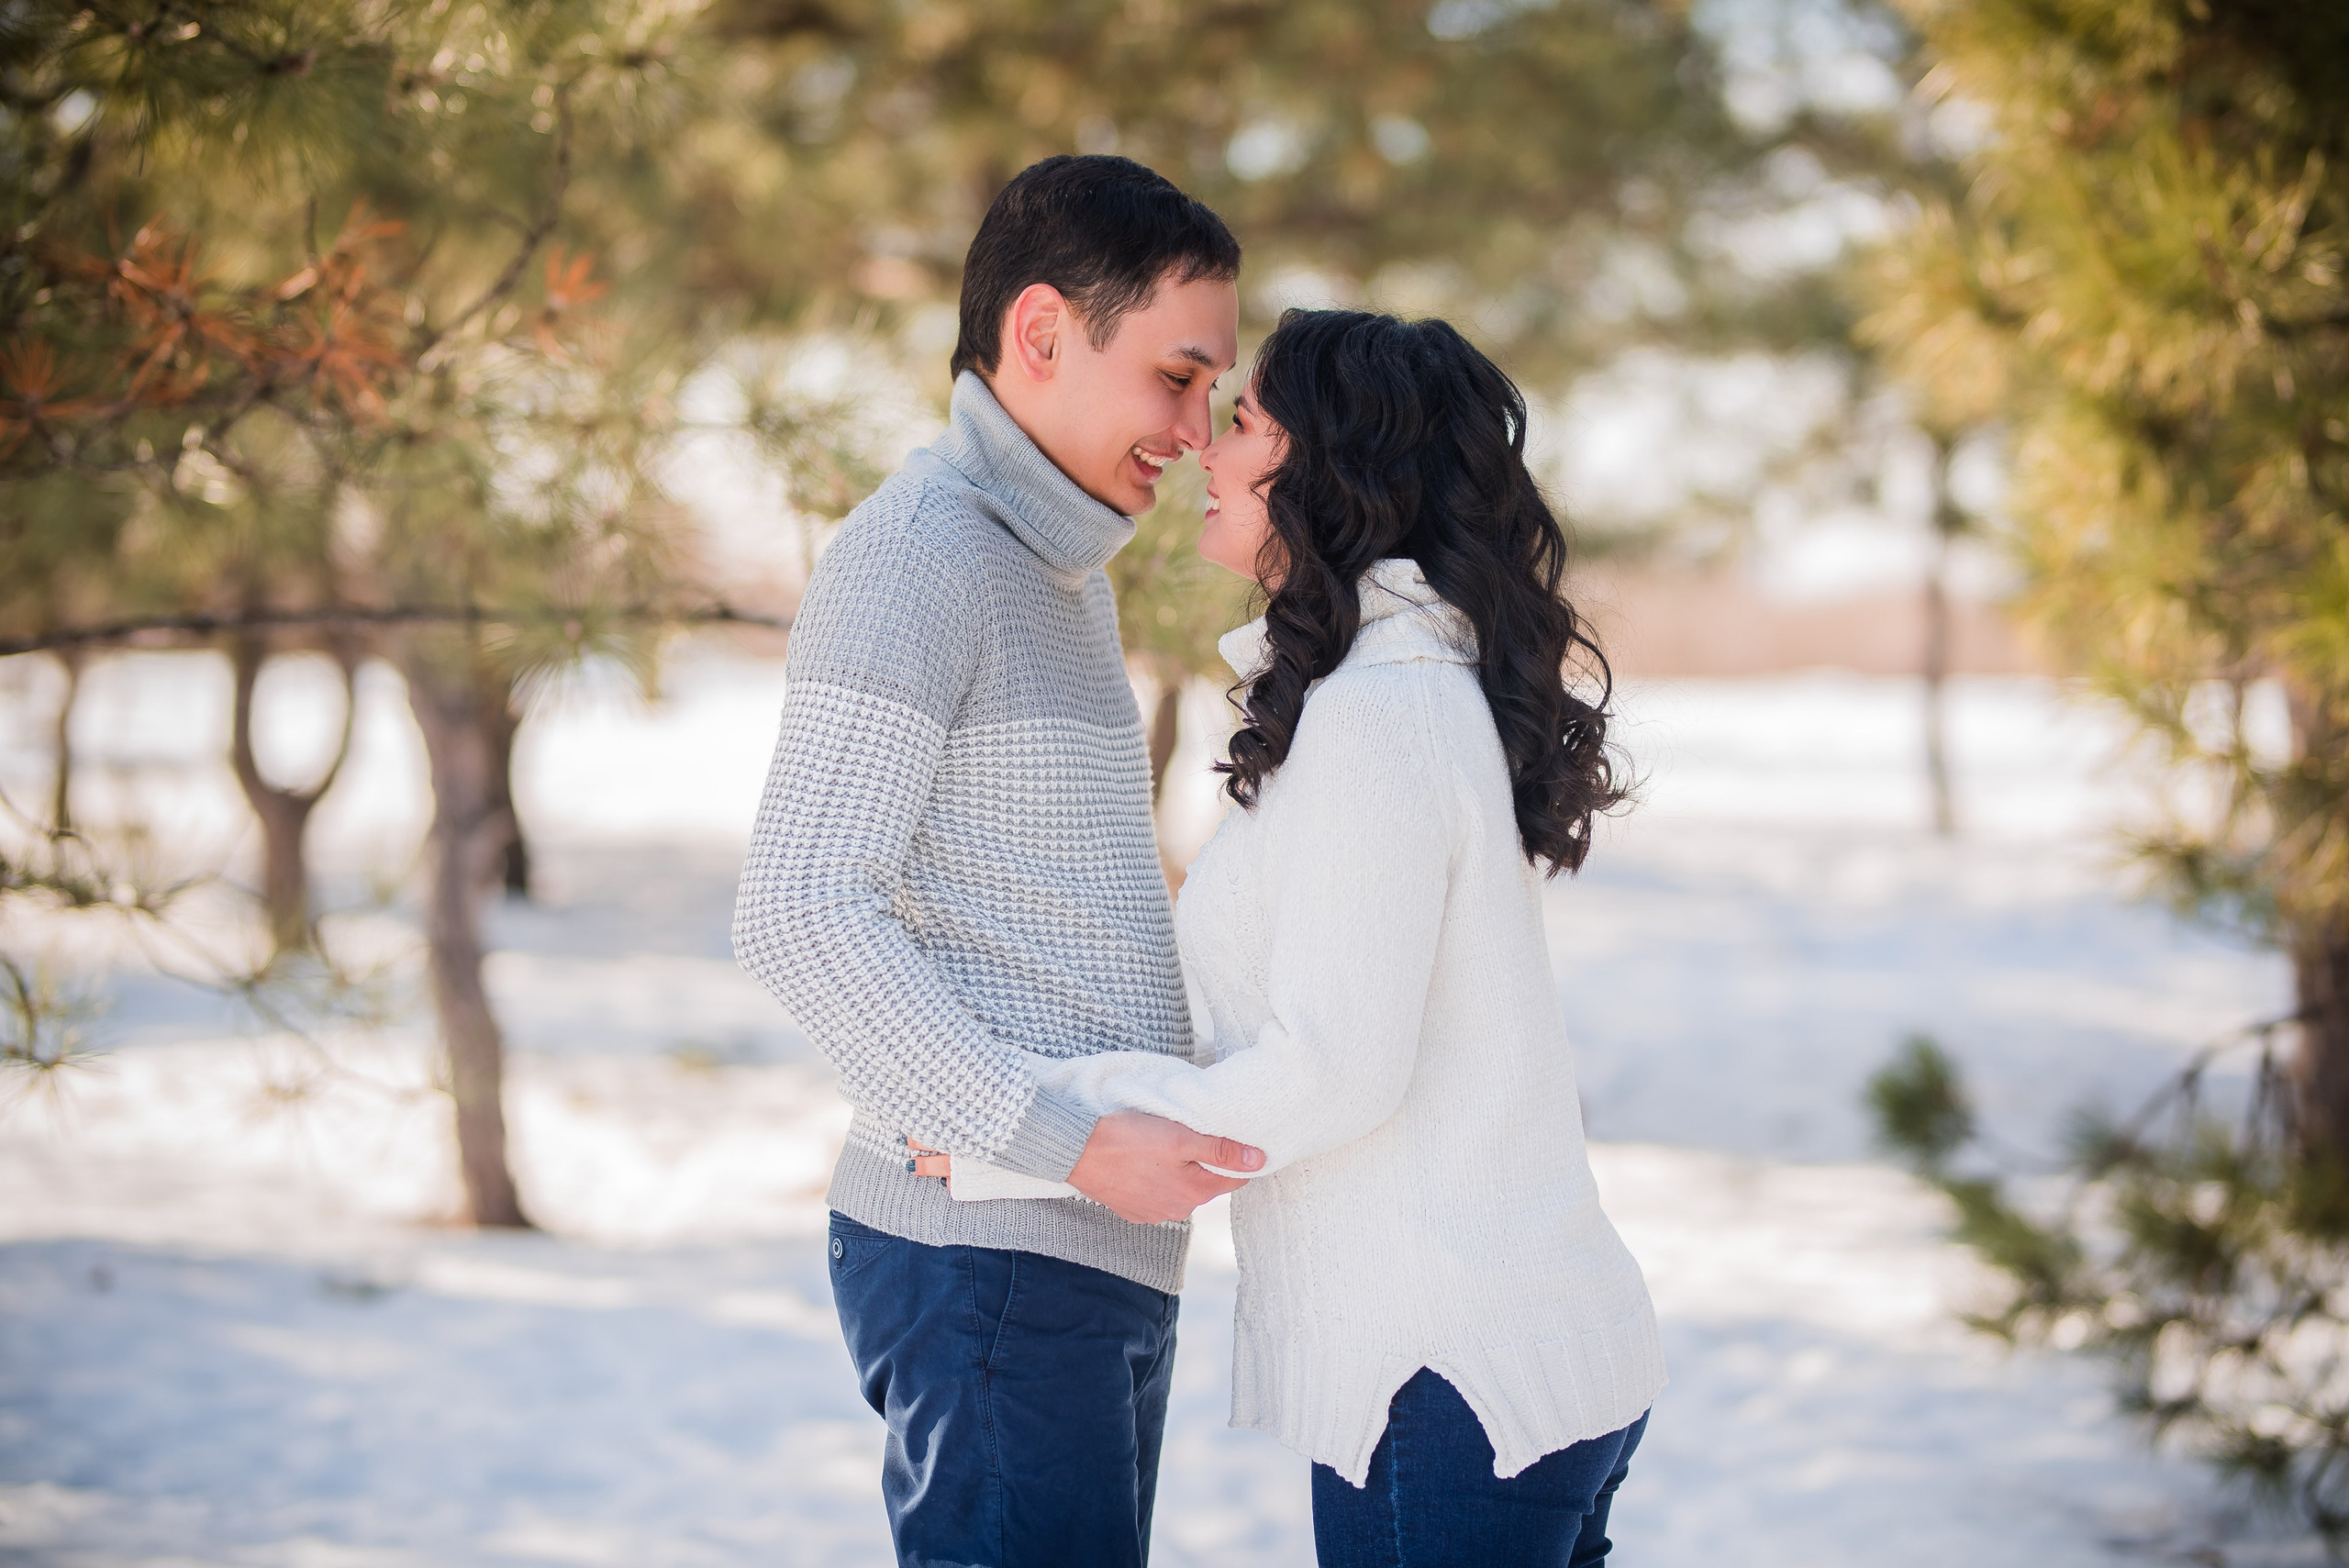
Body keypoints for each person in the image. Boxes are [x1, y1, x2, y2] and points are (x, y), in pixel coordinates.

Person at [928, 309, 1666, 1567]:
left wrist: (1030, 1126)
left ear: (1336, 468)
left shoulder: (1383, 715)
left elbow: (1330, 1067)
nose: (1206, 447)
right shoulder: (1403, 688)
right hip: (1508, 1355)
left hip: (1450, 1376)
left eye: (1250, 420)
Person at [730, 155, 1265, 1568]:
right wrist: (1071, 1141)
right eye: (1176, 376)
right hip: (998, 1266)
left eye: (1213, 394)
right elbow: (797, 909)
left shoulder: (1051, 574)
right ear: (1040, 334)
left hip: (1076, 1255)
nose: (1198, 433)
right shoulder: (922, 553)